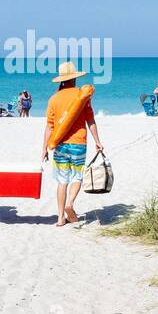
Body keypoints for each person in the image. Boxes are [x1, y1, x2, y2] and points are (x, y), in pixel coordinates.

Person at [43, 61, 104, 227]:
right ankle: (70, 203)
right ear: (74, 79)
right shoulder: (82, 95)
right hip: (79, 143)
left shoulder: (53, 99)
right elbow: (90, 119)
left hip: (60, 144)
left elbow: (50, 126)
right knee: (77, 176)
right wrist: (97, 141)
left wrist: (44, 149)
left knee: (62, 181)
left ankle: (60, 218)